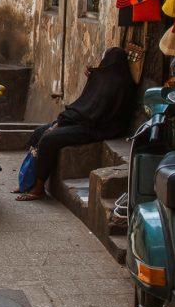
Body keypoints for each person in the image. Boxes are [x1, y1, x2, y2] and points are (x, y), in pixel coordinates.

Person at [14, 47, 136, 201]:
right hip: (82, 120)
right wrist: (63, 120)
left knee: (48, 139)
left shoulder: (117, 83)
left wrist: (62, 122)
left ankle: (38, 188)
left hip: (96, 128)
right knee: (39, 132)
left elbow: (94, 113)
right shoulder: (103, 78)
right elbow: (86, 104)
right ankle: (27, 181)